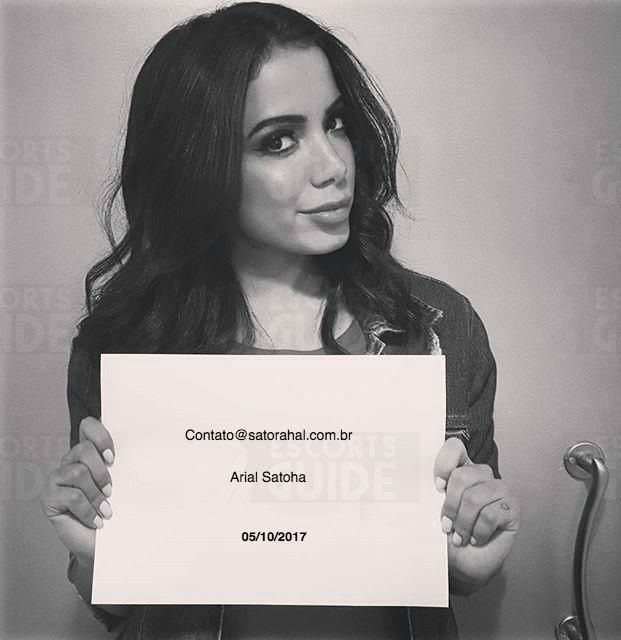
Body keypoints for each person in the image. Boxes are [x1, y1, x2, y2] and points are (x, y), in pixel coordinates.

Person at [39, 2, 522, 639]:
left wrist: (470, 555)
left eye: (336, 123)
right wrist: (97, 556)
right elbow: (118, 604)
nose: (334, 166)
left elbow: (452, 565)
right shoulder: (125, 344)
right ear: (199, 164)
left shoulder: (439, 327)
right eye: (279, 140)